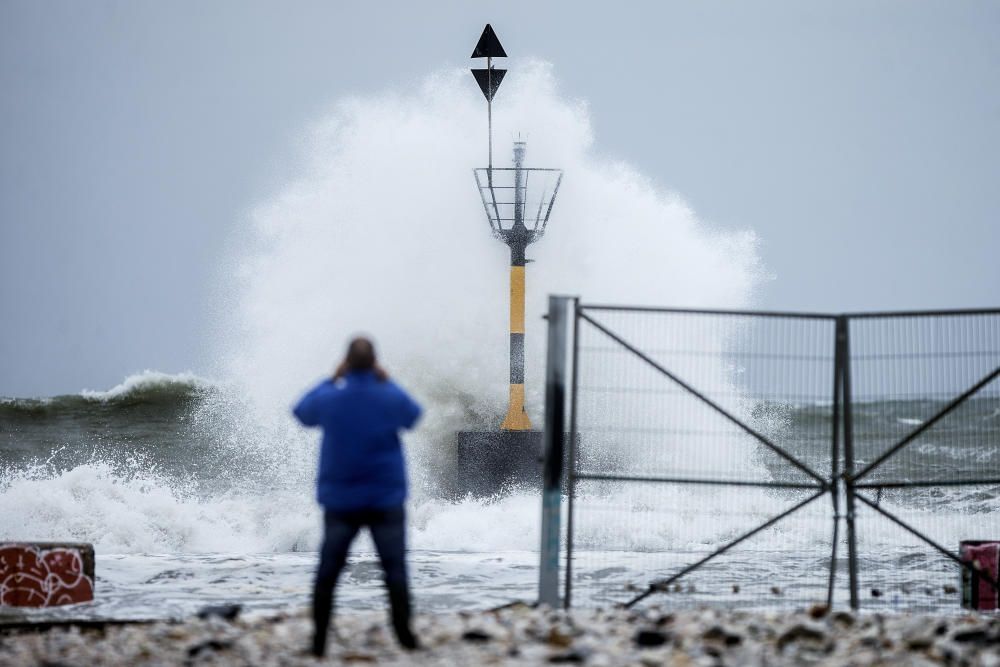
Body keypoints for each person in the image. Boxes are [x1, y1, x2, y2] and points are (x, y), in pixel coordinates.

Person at [293, 337, 422, 657]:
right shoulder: (388, 395)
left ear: (346, 363)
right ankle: (405, 636)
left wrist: (331, 378)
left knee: (329, 571)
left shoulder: (331, 397)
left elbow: (301, 412)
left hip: (341, 502)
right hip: (385, 499)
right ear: (375, 363)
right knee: (394, 570)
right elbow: (413, 416)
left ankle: (319, 641)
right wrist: (386, 379)